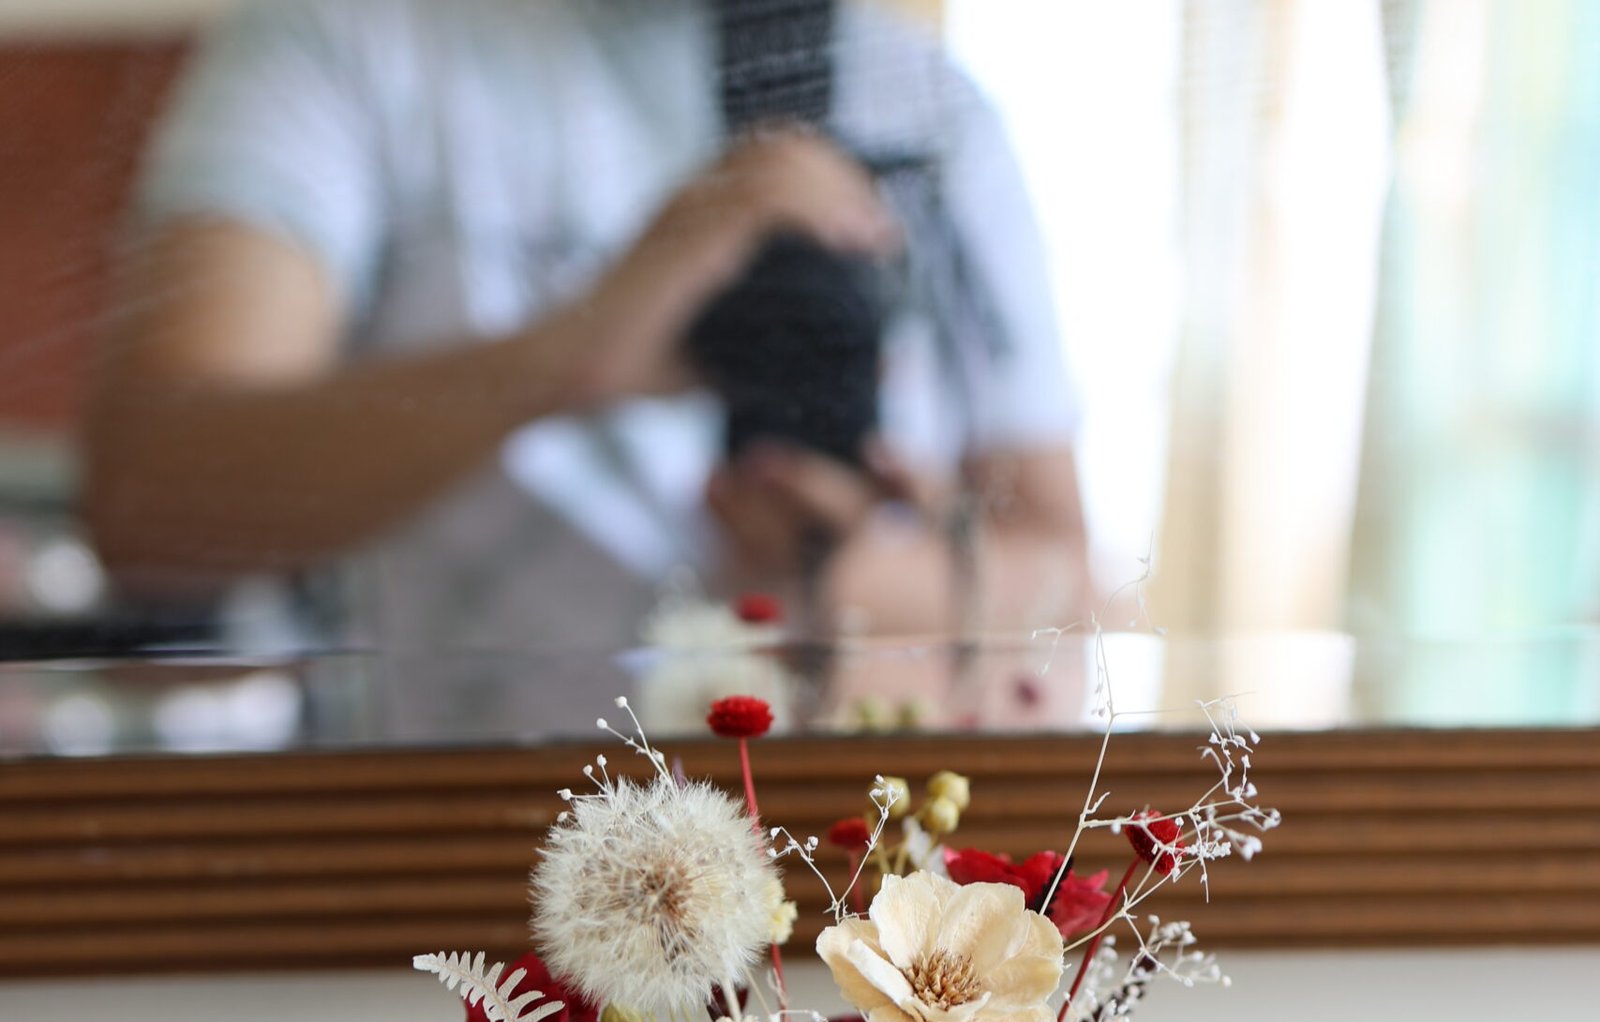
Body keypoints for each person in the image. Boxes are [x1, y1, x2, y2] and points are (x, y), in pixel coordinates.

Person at [84, 0, 1088, 731]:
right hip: (455, 874)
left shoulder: (929, 106)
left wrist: (858, 579)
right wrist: (567, 355)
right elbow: (148, 506)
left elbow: (1083, 591)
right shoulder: (342, 42)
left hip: (846, 892)